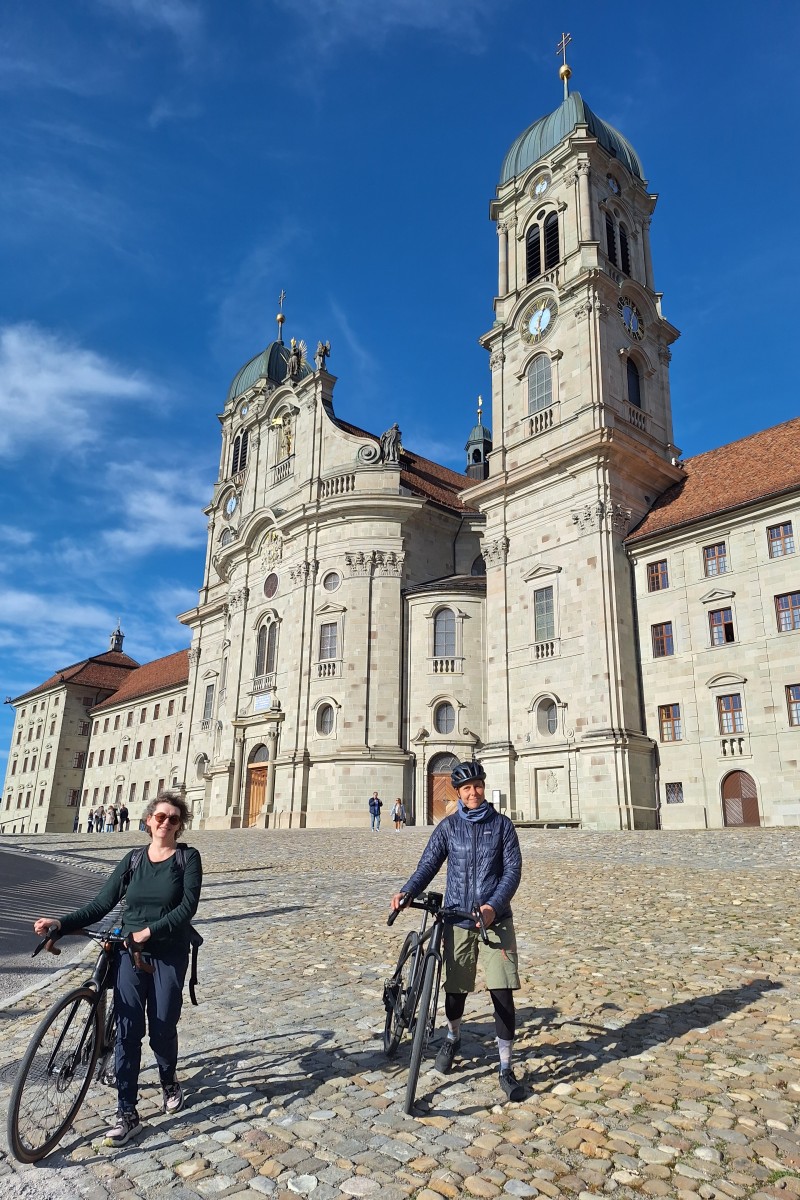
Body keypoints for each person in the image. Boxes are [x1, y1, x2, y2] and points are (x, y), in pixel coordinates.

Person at [33, 791, 203, 1147]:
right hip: (129, 952)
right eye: (160, 817)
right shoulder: (133, 860)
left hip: (168, 953)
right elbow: (101, 903)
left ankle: (169, 1079)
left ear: (180, 825)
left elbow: (187, 908)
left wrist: (150, 930)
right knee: (126, 1030)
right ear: (148, 821)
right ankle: (127, 1111)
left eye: (173, 819)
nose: (166, 823)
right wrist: (61, 923)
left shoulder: (187, 859)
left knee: (161, 1028)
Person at [390, 759, 524, 1102]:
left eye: (478, 785)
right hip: (458, 918)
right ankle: (452, 1037)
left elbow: (512, 872)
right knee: (456, 991)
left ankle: (506, 1066)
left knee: (502, 992)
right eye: (467, 788)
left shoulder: (502, 826)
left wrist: (493, 907)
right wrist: (407, 891)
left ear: (483, 785)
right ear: (459, 793)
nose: (474, 792)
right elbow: (428, 864)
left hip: (496, 919)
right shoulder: (449, 828)